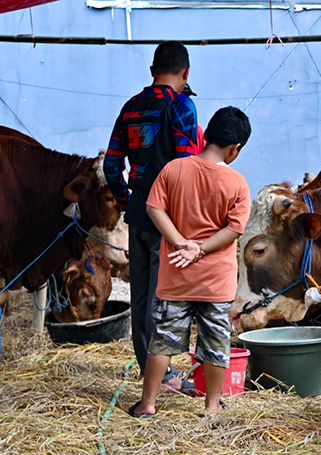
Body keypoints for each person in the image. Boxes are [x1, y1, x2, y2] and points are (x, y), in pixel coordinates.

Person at [127, 106, 252, 418]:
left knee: (162, 341)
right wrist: (201, 248)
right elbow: (234, 230)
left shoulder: (173, 169)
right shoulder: (237, 183)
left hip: (175, 279)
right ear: (235, 149)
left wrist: (180, 241)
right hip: (216, 283)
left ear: (206, 134)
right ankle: (211, 406)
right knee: (215, 344)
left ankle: (148, 403)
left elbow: (154, 209)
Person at [104, 41, 200, 394]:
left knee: (141, 295)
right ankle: (165, 377)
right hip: (169, 215)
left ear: (151, 71)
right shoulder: (181, 106)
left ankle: (150, 371)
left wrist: (124, 201)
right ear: (186, 73)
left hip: (139, 211)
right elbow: (187, 165)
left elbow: (111, 164)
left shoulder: (130, 108)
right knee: (165, 296)